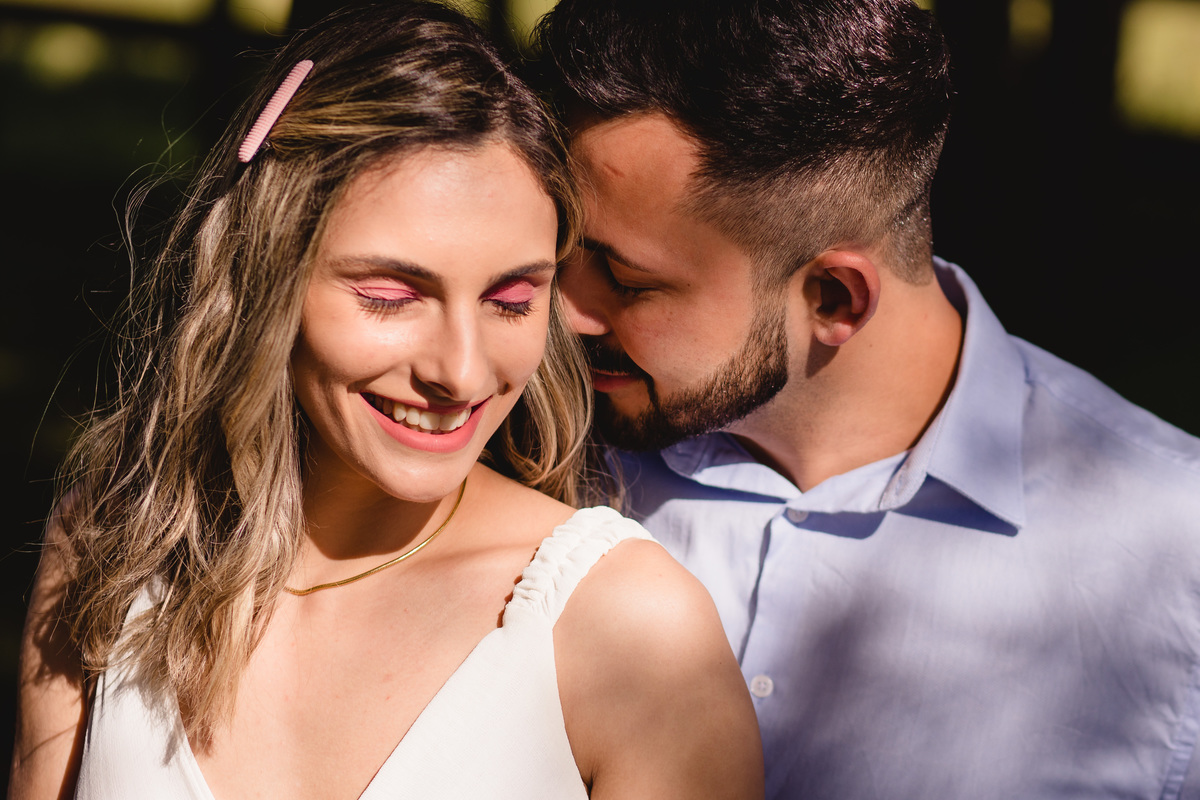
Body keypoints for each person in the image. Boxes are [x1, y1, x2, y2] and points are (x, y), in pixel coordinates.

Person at [9, 4, 764, 799]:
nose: (463, 373)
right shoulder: (115, 540)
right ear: (264, 277)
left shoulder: (631, 630)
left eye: (510, 301)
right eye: (390, 296)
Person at [534, 0, 1200, 798]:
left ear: (835, 299)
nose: (559, 308)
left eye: (627, 279)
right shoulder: (518, 437)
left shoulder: (1174, 560)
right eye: (561, 245)